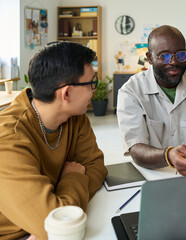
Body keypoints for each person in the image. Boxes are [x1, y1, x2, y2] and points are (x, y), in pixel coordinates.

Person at [0, 41, 108, 239]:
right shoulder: (7, 138)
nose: (94, 90)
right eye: (92, 83)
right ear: (67, 93)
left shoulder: (75, 117)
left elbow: (96, 166)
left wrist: (59, 204)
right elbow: (54, 227)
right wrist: (73, 178)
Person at [117, 25, 186, 176]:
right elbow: (136, 149)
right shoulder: (131, 91)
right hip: (151, 175)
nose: (174, 62)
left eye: (180, 54)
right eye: (164, 56)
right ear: (149, 58)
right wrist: (168, 156)